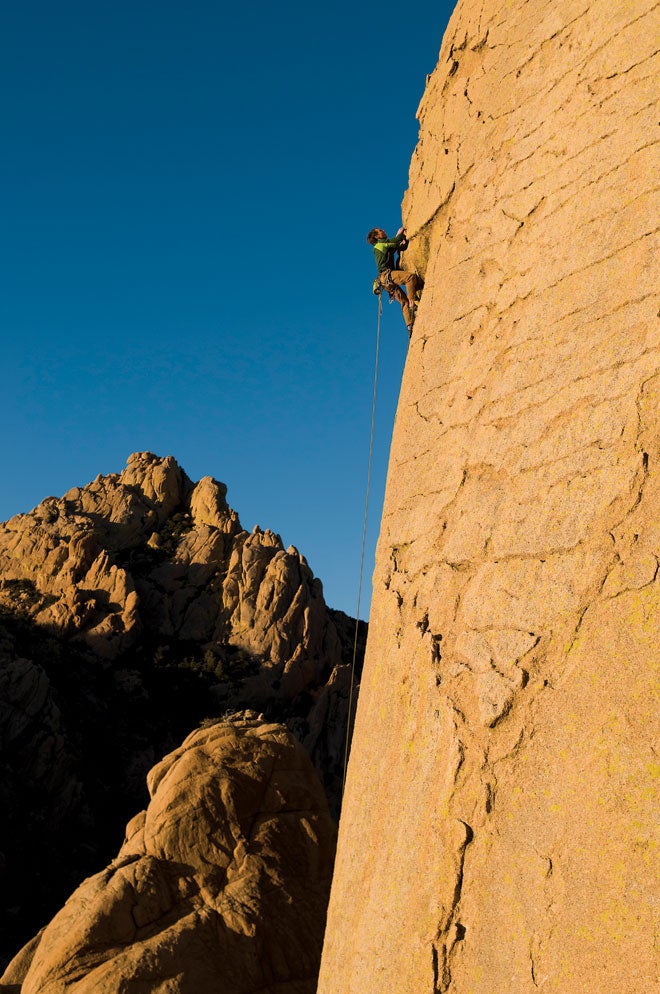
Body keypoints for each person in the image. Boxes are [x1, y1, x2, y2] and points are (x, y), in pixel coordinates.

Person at [366, 226, 423, 336]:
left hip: (385, 281)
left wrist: (399, 242)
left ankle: (410, 326)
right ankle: (412, 302)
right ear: (377, 236)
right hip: (387, 275)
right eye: (381, 231)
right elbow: (394, 242)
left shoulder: (381, 247)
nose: (384, 230)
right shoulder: (380, 244)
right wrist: (399, 234)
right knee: (410, 277)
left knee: (403, 302)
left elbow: (393, 247)